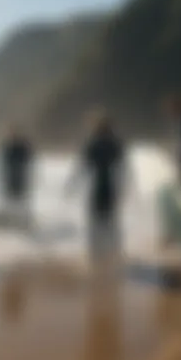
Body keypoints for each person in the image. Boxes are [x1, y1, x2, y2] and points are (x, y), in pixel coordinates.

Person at [66, 114, 126, 269]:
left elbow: (80, 166)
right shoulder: (116, 144)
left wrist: (71, 185)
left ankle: (96, 256)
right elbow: (124, 169)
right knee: (110, 221)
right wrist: (123, 190)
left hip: (98, 185)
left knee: (95, 222)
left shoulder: (93, 144)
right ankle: (114, 253)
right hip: (111, 186)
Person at [0, 124, 34, 227]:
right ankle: (10, 220)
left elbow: (28, 158)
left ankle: (23, 221)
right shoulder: (7, 146)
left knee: (20, 199)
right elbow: (3, 161)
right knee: (9, 199)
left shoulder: (22, 146)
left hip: (20, 176)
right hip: (10, 176)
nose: (12, 135)